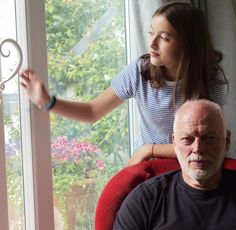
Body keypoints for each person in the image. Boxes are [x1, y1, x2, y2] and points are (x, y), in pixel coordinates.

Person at [20, 2, 228, 164]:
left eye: (164, 37)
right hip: (146, 166)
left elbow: (210, 143)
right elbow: (93, 111)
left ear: (188, 44)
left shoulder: (210, 79)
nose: (152, 43)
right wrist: (47, 101)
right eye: (151, 33)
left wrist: (149, 149)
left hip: (190, 164)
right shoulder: (141, 71)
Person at [113, 99, 236, 230]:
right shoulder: (145, 199)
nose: (198, 148)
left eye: (210, 138)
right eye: (187, 139)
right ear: (174, 142)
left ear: (227, 141)